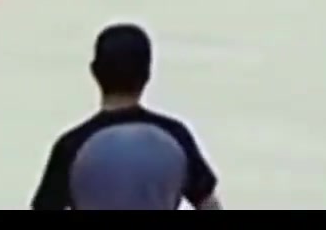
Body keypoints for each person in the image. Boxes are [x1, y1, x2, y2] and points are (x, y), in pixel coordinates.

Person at [31, 24, 222, 211]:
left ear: (95, 71)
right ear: (147, 73)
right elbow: (209, 205)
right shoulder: (176, 135)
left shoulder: (72, 145)